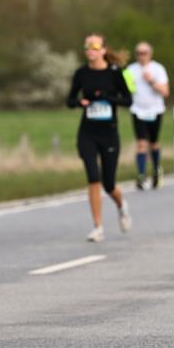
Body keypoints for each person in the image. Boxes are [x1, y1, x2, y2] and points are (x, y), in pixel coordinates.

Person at [67, 34, 133, 242]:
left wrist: (108, 98)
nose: (90, 50)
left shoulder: (115, 73)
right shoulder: (81, 73)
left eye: (95, 46)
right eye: (87, 46)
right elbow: (69, 99)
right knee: (93, 177)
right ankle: (98, 227)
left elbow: (128, 100)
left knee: (109, 183)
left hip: (109, 133)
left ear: (104, 50)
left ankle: (122, 206)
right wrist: (80, 103)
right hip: (87, 132)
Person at [123, 41, 170, 189]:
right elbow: (127, 89)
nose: (141, 56)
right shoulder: (130, 70)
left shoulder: (158, 69)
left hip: (155, 110)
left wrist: (151, 81)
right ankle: (141, 175)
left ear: (150, 54)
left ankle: (156, 170)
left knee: (154, 143)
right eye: (138, 53)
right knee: (141, 144)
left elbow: (165, 92)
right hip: (138, 110)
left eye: (144, 53)